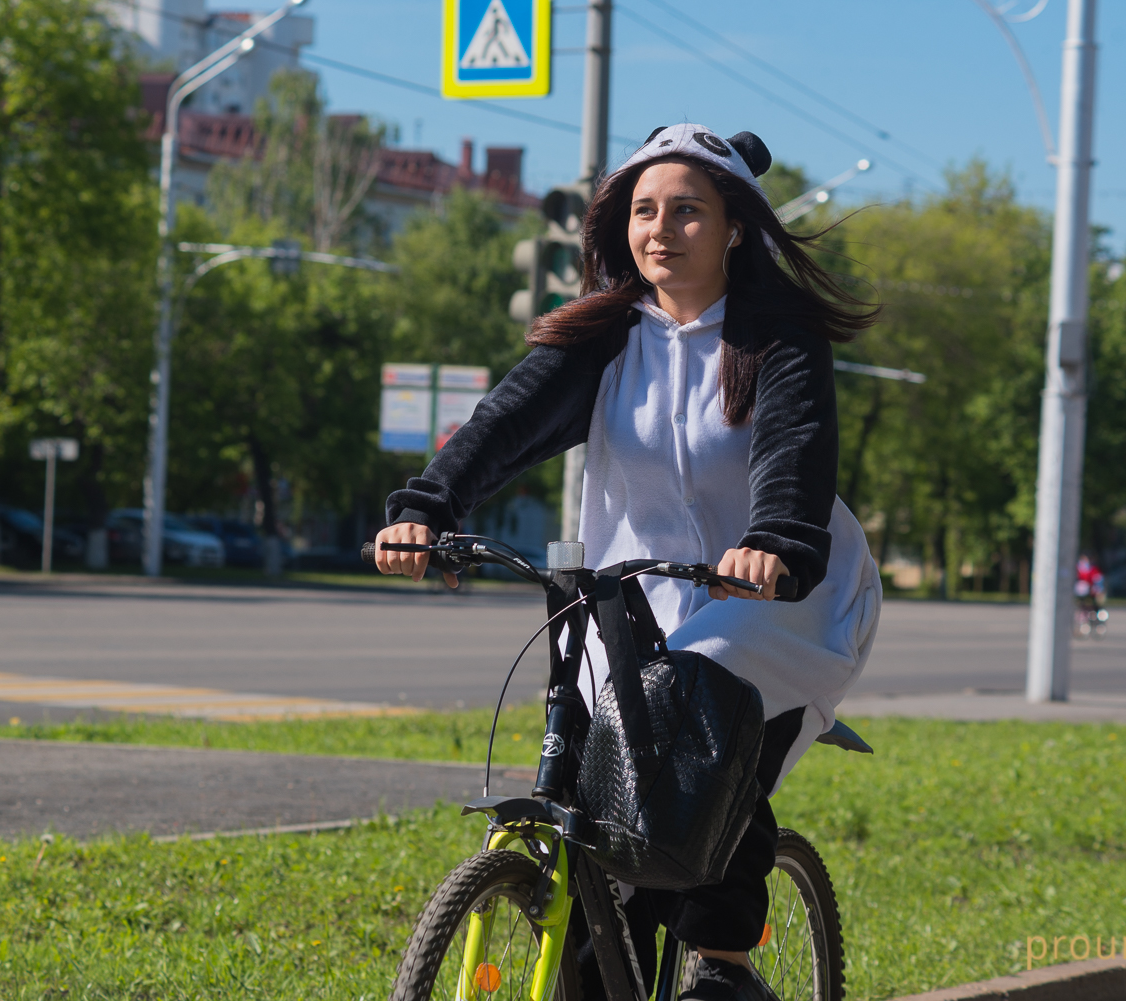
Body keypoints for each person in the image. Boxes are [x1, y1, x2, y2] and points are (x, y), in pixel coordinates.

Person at [375, 123, 883, 1001]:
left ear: (733, 228)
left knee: (696, 731)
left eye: (688, 211)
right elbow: (500, 427)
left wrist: (774, 545)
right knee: (597, 806)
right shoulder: (604, 337)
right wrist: (427, 508)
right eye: (645, 211)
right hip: (630, 598)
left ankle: (723, 964)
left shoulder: (779, 339)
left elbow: (793, 457)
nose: (661, 229)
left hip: (780, 597)